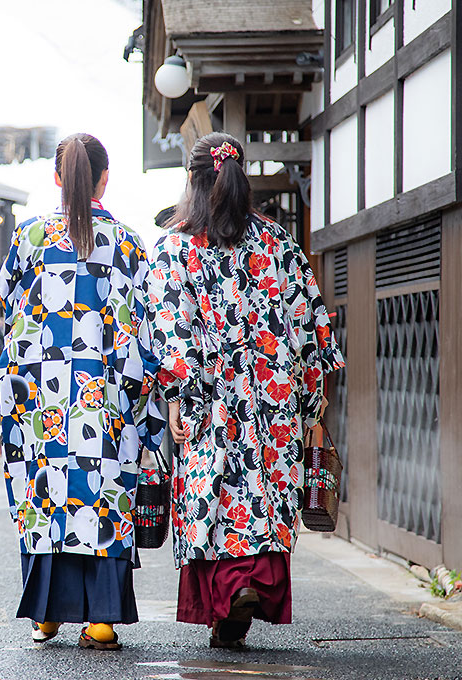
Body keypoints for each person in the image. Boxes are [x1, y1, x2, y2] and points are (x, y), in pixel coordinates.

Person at [144, 132, 345, 648]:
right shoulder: (278, 243)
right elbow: (311, 325)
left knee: (216, 501)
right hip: (270, 404)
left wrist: (177, 399)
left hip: (210, 406)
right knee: (262, 497)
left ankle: (229, 598)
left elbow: (171, 333)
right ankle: (247, 593)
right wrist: (307, 398)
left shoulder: (176, 246)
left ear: (192, 179)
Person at [0, 133, 164, 650]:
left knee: (45, 496)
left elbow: (7, 302)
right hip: (106, 397)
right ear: (105, 179)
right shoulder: (129, 243)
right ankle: (102, 618)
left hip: (41, 400)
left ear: (56, 178)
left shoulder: (29, 237)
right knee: (105, 496)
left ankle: (46, 614)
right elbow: (146, 325)